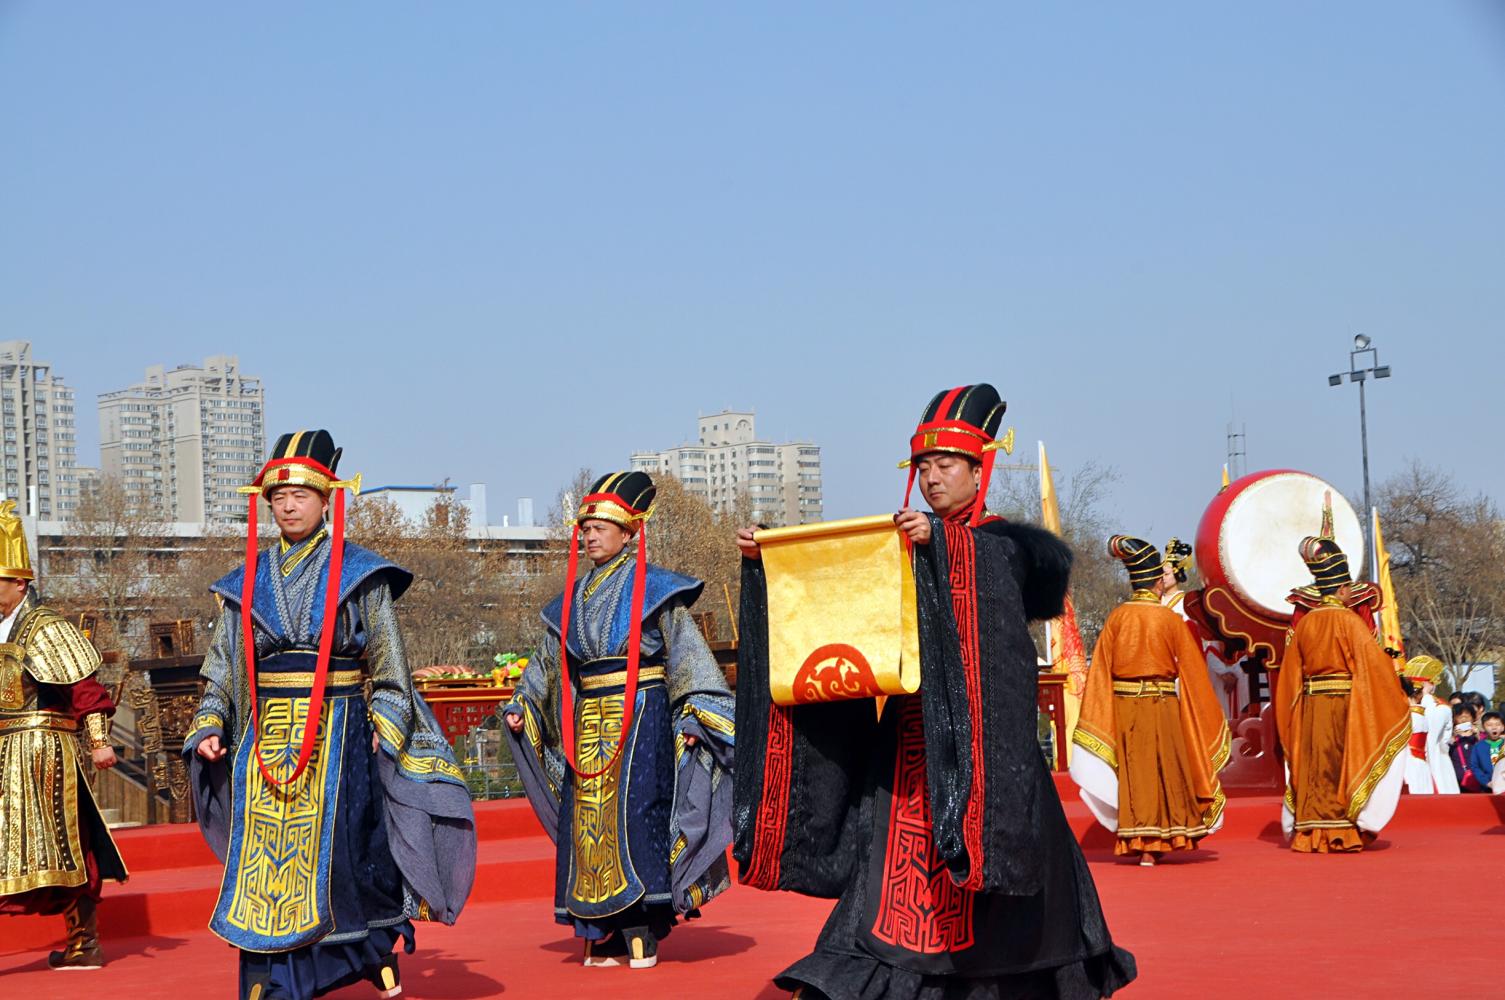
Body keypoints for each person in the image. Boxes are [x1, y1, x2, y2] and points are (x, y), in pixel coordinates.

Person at [735, 384, 1136, 999]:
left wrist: (945, 546)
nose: (931, 478)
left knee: (1002, 874)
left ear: (981, 470)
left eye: (946, 465)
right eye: (922, 467)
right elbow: (836, 590)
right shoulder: (901, 541)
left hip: (985, 753)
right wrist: (772, 556)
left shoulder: (1000, 546)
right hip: (908, 748)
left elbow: (1019, 582)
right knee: (889, 881)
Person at [184, 430, 477, 1000]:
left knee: (344, 858)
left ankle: (363, 955)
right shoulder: (245, 581)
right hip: (263, 739)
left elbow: (391, 664)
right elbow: (222, 666)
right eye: (278, 497)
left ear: (326, 499)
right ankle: (268, 976)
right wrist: (212, 723)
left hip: (338, 735)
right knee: (262, 865)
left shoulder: (360, 574)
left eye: (299, 495)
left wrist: (386, 727)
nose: (288, 506)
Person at [504, 471, 735, 970]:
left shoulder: (656, 591)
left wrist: (694, 715)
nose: (588, 536)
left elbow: (690, 662)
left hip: (643, 717)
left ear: (629, 532)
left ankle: (642, 924)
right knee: (586, 824)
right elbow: (546, 665)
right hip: (588, 724)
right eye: (584, 528)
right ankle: (600, 930)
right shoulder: (568, 601)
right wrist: (523, 705)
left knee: (637, 817)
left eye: (600, 528)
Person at [0, 500, 128, 970]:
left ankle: (83, 942)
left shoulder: (48, 626)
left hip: (42, 752)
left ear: (20, 582)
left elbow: (85, 689)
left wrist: (98, 741)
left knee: (64, 842)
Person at [1072, 536, 1231, 866]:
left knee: (1136, 772)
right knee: (1166, 770)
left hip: (1125, 707)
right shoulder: (1170, 620)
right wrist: (1202, 715)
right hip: (1163, 706)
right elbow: (1193, 673)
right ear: (1158, 582)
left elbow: (1099, 672)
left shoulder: (1116, 619)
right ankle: (1167, 835)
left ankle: (1140, 842)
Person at [1275, 535, 1410, 853]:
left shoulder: (1305, 625)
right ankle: (1343, 831)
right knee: (1342, 763)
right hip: (1345, 705)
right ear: (1343, 589)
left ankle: (1311, 830)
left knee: (1315, 765)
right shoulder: (1351, 623)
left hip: (1311, 707)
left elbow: (1290, 676)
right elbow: (1376, 667)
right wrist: (1396, 697)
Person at [1400, 658, 1457, 794]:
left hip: (1430, 760)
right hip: (1416, 761)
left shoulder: (1439, 708)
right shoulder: (1435, 708)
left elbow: (1438, 738)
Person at [1447, 704, 1486, 792]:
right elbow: (1445, 752)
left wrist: (1478, 736)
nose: (1463, 719)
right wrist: (1453, 737)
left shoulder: (1481, 737)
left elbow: (1486, 753)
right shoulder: (1450, 738)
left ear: (1473, 718)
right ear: (1454, 719)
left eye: (1467, 716)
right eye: (1460, 717)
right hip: (1457, 781)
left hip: (1478, 780)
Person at [1467, 712, 1504, 792]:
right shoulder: (1478, 746)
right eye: (1489, 725)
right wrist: (1486, 782)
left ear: (1503, 727)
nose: (1494, 727)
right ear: (1483, 727)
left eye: (1498, 724)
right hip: (1487, 787)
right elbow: (1474, 766)